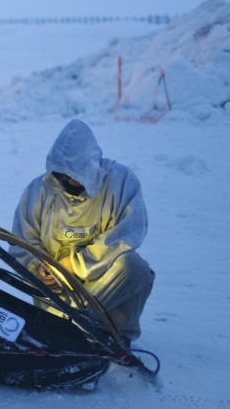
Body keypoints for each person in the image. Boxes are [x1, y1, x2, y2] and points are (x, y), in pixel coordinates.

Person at [10, 119, 153, 340]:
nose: (67, 180)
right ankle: (62, 327)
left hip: (104, 286)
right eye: (62, 174)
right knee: (56, 324)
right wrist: (36, 267)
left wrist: (74, 264)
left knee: (136, 269)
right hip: (56, 294)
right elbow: (21, 242)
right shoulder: (38, 192)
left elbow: (127, 234)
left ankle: (116, 334)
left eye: (74, 176)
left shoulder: (121, 183)